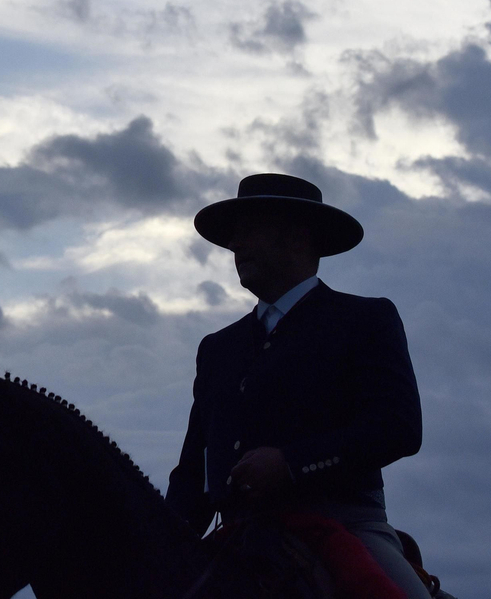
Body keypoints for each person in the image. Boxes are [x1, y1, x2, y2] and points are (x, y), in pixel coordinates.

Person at [164, 173, 430, 599]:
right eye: (234, 236)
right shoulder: (218, 348)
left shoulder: (364, 319)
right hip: (235, 534)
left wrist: (291, 463)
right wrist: (162, 541)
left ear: (298, 238)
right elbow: (193, 470)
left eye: (250, 231)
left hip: (345, 525)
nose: (237, 246)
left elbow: (397, 427)